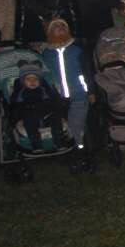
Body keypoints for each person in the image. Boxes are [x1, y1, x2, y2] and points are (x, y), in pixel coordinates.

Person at [40, 18, 93, 149]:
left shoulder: (77, 49)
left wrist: (91, 91)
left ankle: (79, 149)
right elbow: (44, 75)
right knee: (64, 125)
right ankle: (69, 146)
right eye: (56, 26)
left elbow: (88, 71)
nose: (60, 28)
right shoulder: (46, 54)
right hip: (57, 97)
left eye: (63, 26)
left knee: (76, 123)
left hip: (79, 93)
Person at [9, 61, 70, 151]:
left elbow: (54, 102)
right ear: (23, 81)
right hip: (30, 116)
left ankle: (59, 143)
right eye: (28, 79)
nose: (32, 81)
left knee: (55, 119)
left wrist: (62, 115)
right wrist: (16, 120)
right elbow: (15, 107)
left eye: (35, 79)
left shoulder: (44, 90)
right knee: (29, 121)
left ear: (40, 81)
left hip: (46, 115)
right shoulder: (21, 93)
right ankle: (37, 146)